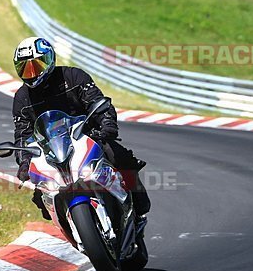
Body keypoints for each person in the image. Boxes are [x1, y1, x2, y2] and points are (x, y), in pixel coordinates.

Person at [11, 36, 151, 220]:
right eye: (25, 68)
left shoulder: (73, 77)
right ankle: (73, 226)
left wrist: (107, 125)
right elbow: (23, 134)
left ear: (50, 59)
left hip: (88, 137)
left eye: (36, 65)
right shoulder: (22, 98)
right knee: (41, 199)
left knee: (120, 157)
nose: (32, 72)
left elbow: (99, 102)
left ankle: (137, 207)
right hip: (52, 151)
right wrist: (24, 161)